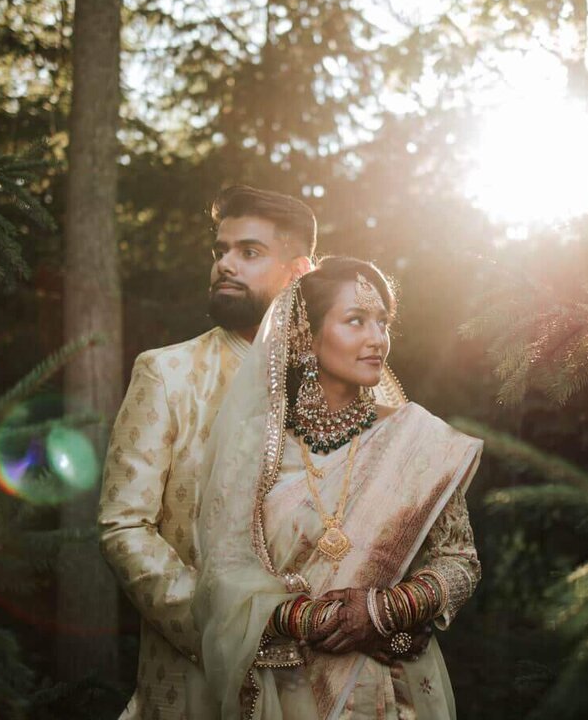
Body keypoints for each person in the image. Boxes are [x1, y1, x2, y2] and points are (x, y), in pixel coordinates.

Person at [194, 257, 481, 719]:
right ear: (307, 336)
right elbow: (220, 580)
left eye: (382, 323)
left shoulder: (416, 439)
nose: (377, 339)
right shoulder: (257, 446)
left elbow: (459, 563)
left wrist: (387, 611)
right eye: (356, 321)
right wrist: (311, 619)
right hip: (287, 691)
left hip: (396, 689)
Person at [98, 186, 318, 719]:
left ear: (299, 271)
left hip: (318, 681)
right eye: (219, 251)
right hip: (191, 685)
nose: (224, 265)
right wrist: (230, 632)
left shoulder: (332, 382)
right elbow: (124, 526)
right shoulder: (167, 373)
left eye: (249, 252)